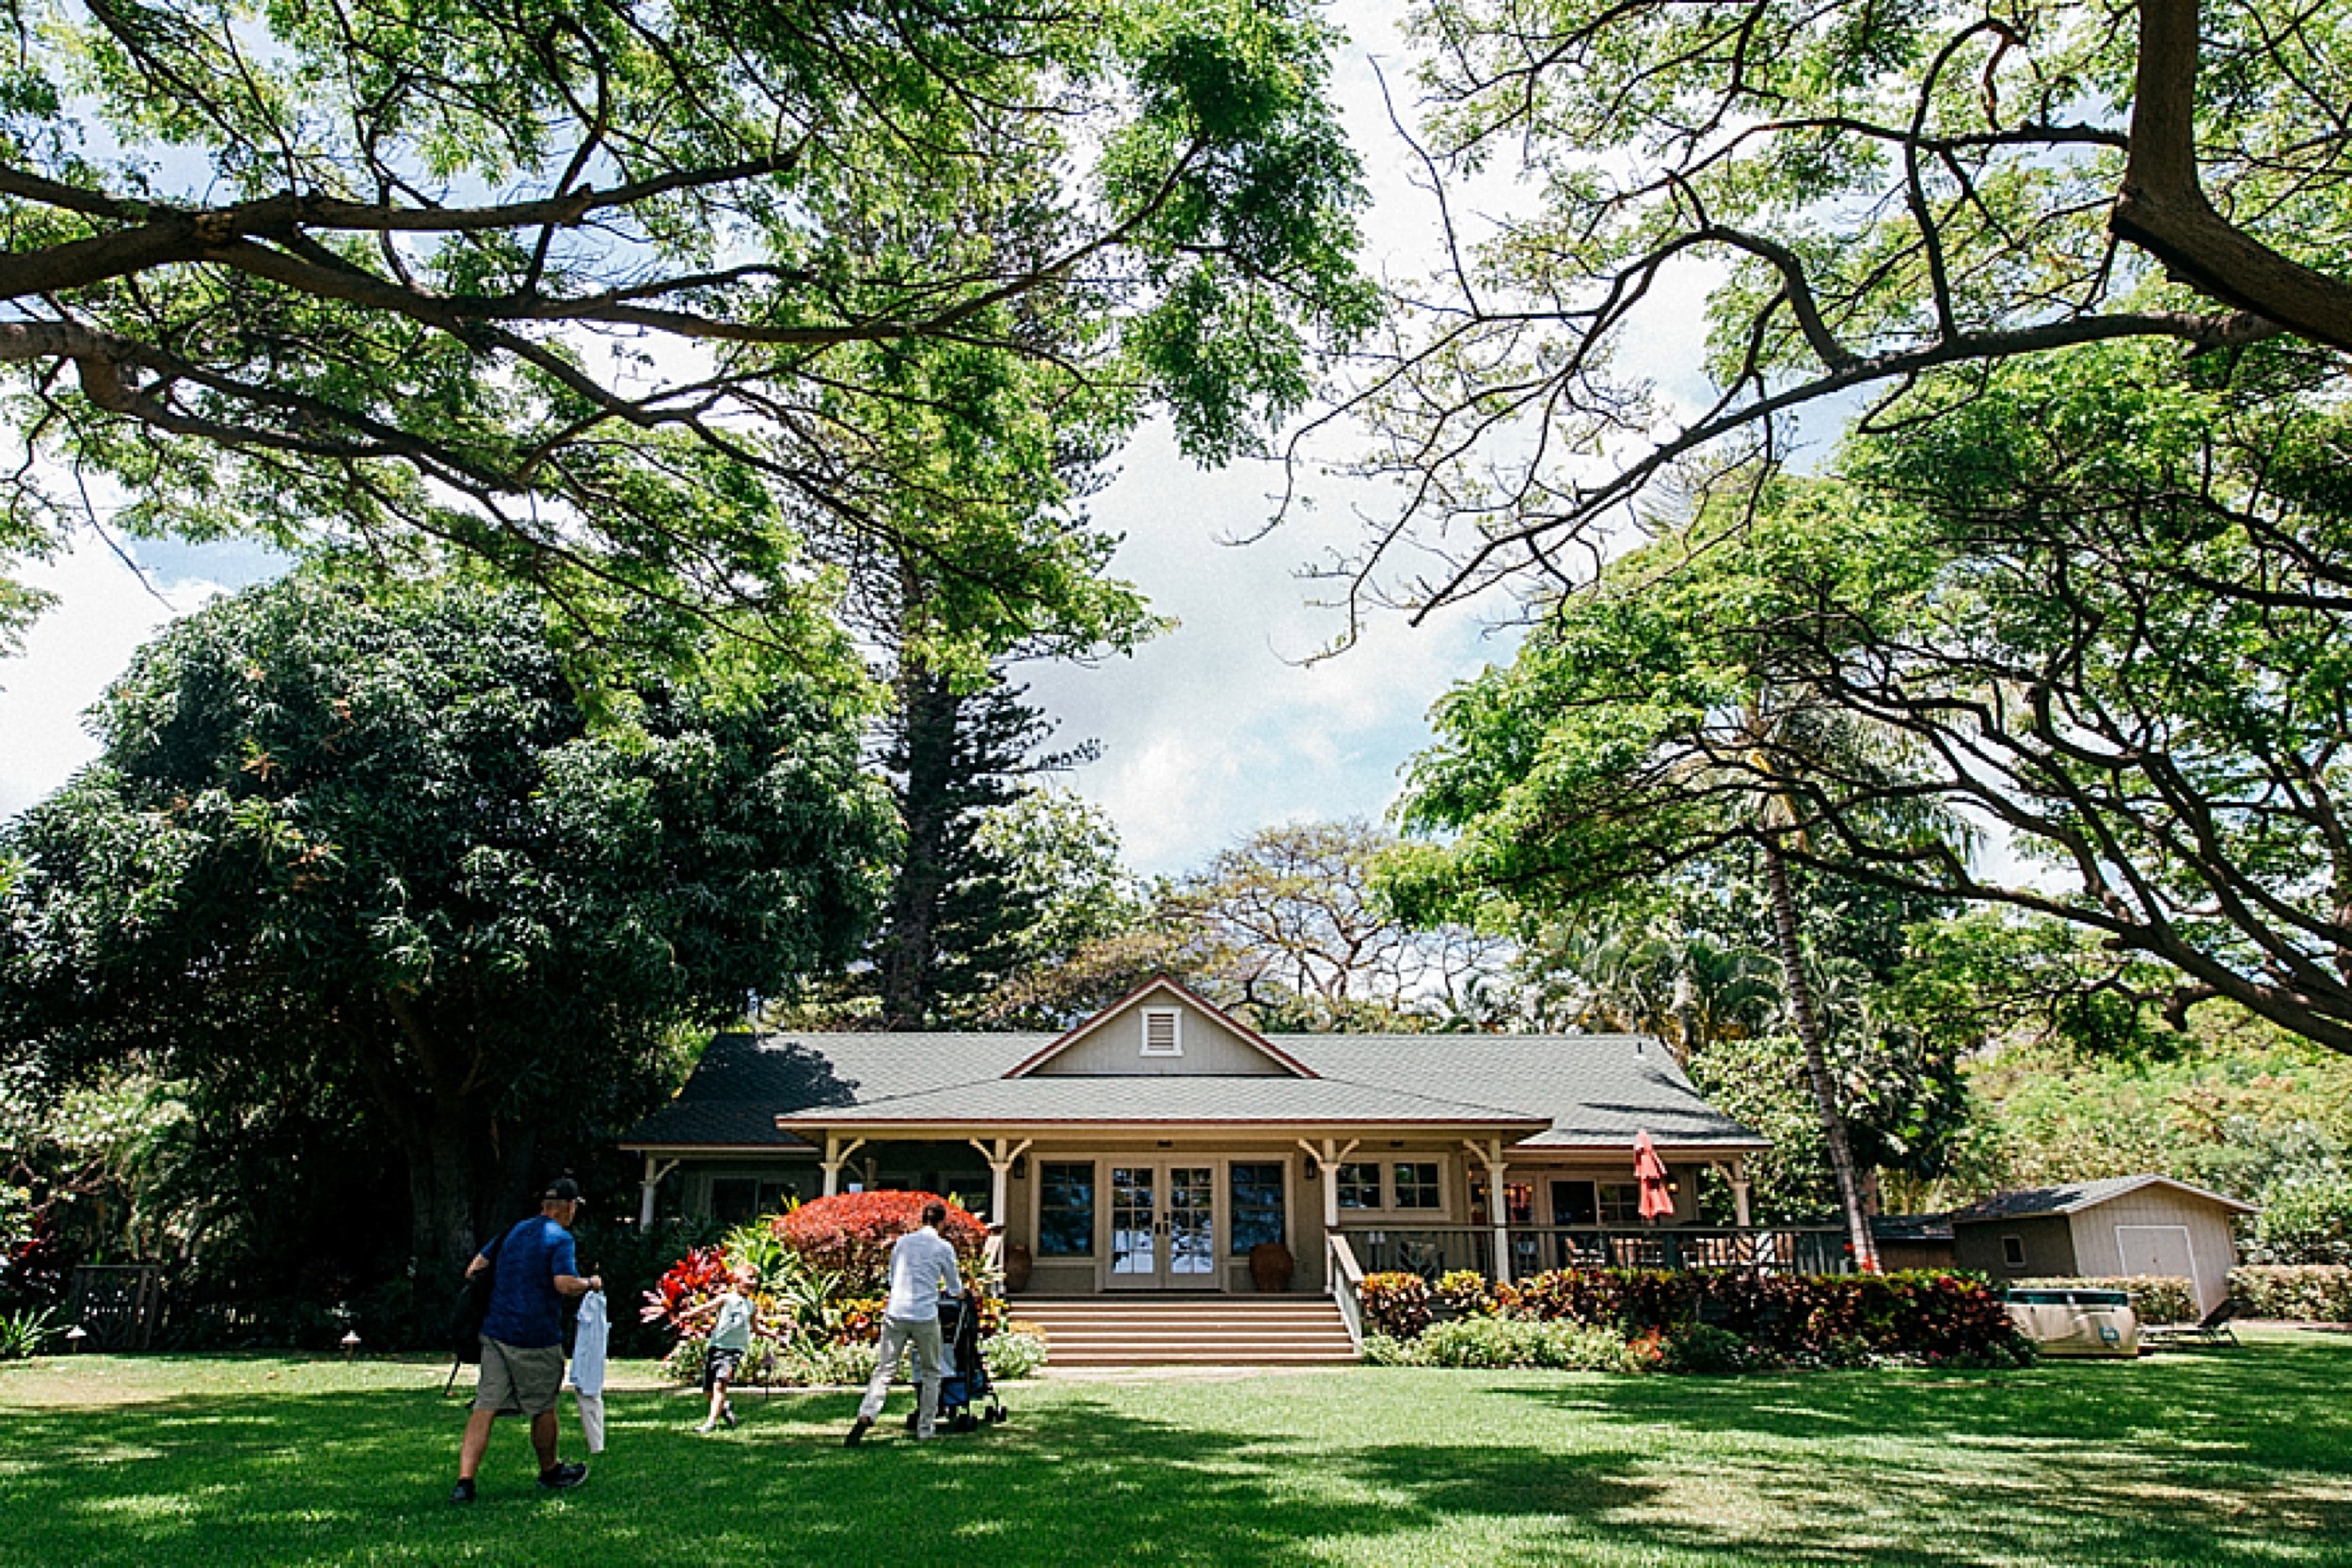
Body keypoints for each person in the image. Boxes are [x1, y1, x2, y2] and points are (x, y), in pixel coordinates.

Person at [450, 1177, 602, 1502]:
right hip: (536, 1336)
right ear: (570, 1207)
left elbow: (474, 1268)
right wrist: (589, 1283)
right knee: (543, 1405)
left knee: (485, 1405)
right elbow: (563, 1284)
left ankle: (465, 1482)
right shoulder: (560, 1239)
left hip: (494, 1331)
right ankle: (550, 1471)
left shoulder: (513, 1231)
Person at [845, 1199, 963, 1446]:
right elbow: (954, 1287)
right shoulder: (943, 1247)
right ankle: (925, 1426)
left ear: (922, 1219)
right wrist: (960, 1294)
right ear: (942, 1222)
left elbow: (892, 1276)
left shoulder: (903, 1242)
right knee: (932, 1371)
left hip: (896, 1312)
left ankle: (868, 1413)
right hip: (924, 1315)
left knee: (885, 1369)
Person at [675, 1262, 760, 1433]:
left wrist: (773, 1334)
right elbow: (707, 1308)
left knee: (720, 1384)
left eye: (755, 1279)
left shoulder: (751, 1306)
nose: (754, 1282)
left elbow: (755, 1327)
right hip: (717, 1348)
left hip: (734, 1351)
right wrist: (688, 1315)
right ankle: (724, 1407)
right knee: (708, 1390)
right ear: (736, 1280)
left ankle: (710, 1423)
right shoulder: (726, 1299)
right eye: (749, 1278)